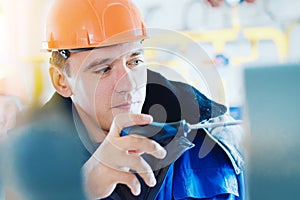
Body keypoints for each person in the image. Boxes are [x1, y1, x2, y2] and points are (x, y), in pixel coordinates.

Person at [8, 0, 245, 199]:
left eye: (134, 62)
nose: (129, 84)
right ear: (62, 81)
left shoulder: (209, 139)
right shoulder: (25, 164)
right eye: (103, 69)